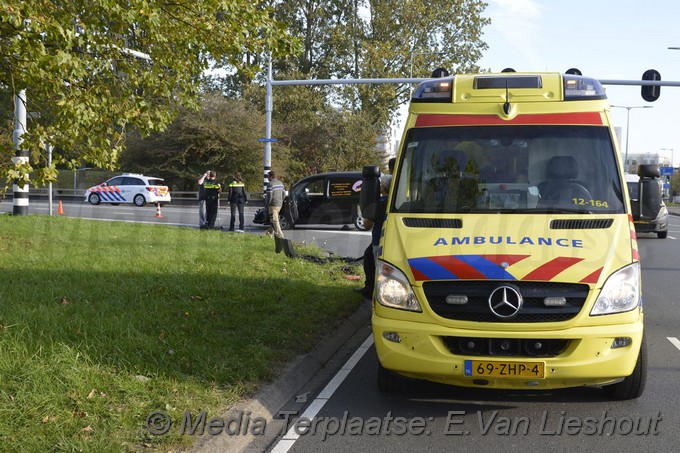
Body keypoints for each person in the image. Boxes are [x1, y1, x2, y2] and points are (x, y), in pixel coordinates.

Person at [356, 158, 395, 298]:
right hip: (396, 240)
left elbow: (367, 225)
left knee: (380, 270)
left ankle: (376, 294)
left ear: (383, 187)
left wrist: (365, 210)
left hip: (380, 241)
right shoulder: (397, 202)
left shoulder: (380, 203)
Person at [266, 170, 285, 238]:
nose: (267, 178)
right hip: (279, 204)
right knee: (274, 218)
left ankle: (280, 235)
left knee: (274, 220)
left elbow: (269, 196)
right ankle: (268, 234)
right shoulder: (280, 183)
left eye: (268, 176)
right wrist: (281, 200)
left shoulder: (270, 184)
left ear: (271, 176)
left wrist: (267, 204)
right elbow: (284, 194)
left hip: (272, 205)